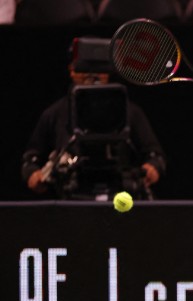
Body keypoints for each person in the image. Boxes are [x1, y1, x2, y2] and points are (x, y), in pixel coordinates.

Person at [22, 37, 166, 200]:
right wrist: (34, 174)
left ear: (108, 73)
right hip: (71, 199)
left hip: (120, 196)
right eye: (84, 70)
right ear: (71, 70)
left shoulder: (130, 111)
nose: (91, 76)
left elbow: (155, 155)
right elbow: (31, 159)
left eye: (99, 71)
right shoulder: (54, 113)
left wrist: (153, 167)